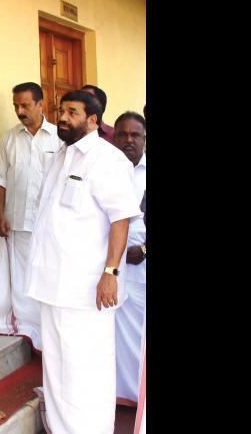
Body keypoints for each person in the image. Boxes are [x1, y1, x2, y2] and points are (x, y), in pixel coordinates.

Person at [24, 90, 141, 433]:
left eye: (72, 112)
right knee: (57, 368)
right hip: (52, 284)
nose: (63, 117)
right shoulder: (59, 156)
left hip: (87, 288)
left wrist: (110, 273)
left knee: (86, 368)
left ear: (92, 120)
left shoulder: (107, 159)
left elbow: (121, 219)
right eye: (61, 110)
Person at [0, 82, 61, 353]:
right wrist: (0, 213)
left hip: (48, 224)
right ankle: (27, 331)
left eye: (26, 105)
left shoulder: (58, 137)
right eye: (16, 106)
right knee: (20, 277)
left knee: (45, 275)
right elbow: (0, 178)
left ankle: (47, 332)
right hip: (15, 220)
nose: (20, 110)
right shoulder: (8, 138)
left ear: (41, 104)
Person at [111, 112, 147, 407]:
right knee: (114, 333)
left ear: (145, 140)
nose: (128, 140)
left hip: (142, 263)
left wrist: (145, 249)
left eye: (135, 135)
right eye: (122, 135)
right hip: (112, 267)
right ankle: (120, 393)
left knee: (140, 333)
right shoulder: (106, 170)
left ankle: (140, 396)